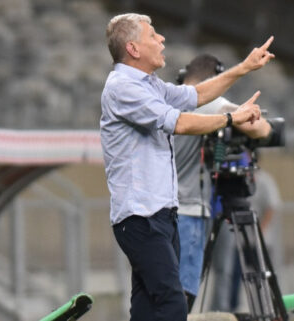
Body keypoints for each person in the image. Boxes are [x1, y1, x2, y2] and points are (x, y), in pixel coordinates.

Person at [101, 13, 274, 321]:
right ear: (134, 49)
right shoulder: (122, 87)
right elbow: (178, 122)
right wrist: (231, 118)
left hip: (161, 215)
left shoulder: (149, 84)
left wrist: (244, 68)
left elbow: (196, 95)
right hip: (140, 217)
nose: (162, 39)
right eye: (153, 35)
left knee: (146, 308)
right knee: (172, 303)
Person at [173, 54, 272, 310]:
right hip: (188, 211)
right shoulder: (200, 101)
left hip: (158, 212)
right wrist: (267, 128)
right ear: (214, 80)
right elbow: (257, 128)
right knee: (182, 297)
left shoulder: (165, 97)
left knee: (159, 295)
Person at [210, 166, 281, 312]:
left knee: (261, 277)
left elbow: (272, 206)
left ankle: (267, 308)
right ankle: (232, 308)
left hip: (258, 242)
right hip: (238, 240)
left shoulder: (264, 181)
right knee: (235, 275)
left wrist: (261, 228)